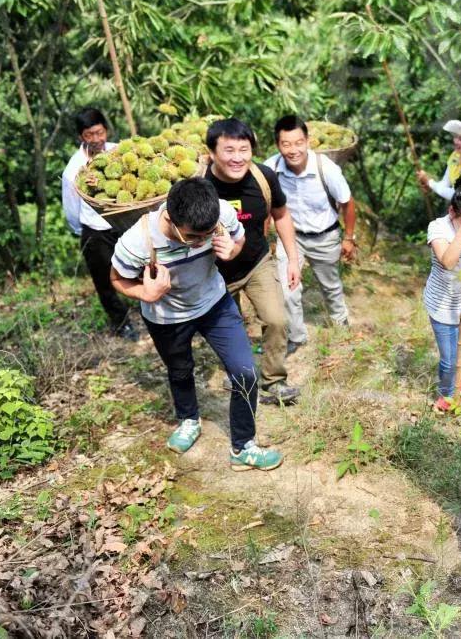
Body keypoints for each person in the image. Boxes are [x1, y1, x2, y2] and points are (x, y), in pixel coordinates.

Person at [110, 177, 283, 470]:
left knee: (245, 372)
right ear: (170, 217)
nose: (201, 241)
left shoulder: (222, 213)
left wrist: (233, 250)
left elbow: (238, 240)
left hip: (215, 303)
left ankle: (243, 447)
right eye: (193, 237)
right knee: (180, 370)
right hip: (167, 317)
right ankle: (189, 419)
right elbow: (117, 278)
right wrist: (145, 293)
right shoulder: (137, 241)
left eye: (208, 234)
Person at [204, 118, 302, 406]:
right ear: (212, 153)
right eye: (229, 150)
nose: (238, 158)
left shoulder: (264, 177)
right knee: (229, 328)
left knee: (276, 319)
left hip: (257, 261)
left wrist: (292, 260)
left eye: (244, 149)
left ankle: (274, 381)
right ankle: (237, 374)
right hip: (215, 272)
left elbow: (282, 215)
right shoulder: (201, 186)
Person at [265, 115, 356, 352]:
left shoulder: (326, 169)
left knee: (330, 285)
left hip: (324, 236)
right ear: (278, 145)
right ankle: (296, 336)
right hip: (291, 237)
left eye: (298, 143)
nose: (293, 150)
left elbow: (347, 202)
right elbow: (265, 204)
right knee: (287, 288)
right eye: (286, 144)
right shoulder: (271, 168)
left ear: (308, 141)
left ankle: (340, 322)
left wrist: (348, 238)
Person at [60, 108, 136, 340]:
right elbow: (71, 208)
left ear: (106, 129)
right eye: (89, 134)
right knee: (104, 281)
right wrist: (81, 231)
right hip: (96, 231)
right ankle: (121, 323)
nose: (96, 139)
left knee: (140, 268)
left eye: (99, 132)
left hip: (125, 224)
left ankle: (153, 309)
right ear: (81, 137)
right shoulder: (74, 169)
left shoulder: (119, 152)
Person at [422, 183, 461, 412]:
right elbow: (448, 262)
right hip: (442, 306)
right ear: (451, 213)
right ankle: (446, 393)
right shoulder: (438, 228)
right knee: (448, 359)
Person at [417, 117, 461, 202]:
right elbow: (445, 183)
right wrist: (429, 185)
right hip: (457, 211)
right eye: (456, 137)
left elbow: (457, 196)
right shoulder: (455, 155)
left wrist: (430, 182)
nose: (456, 141)